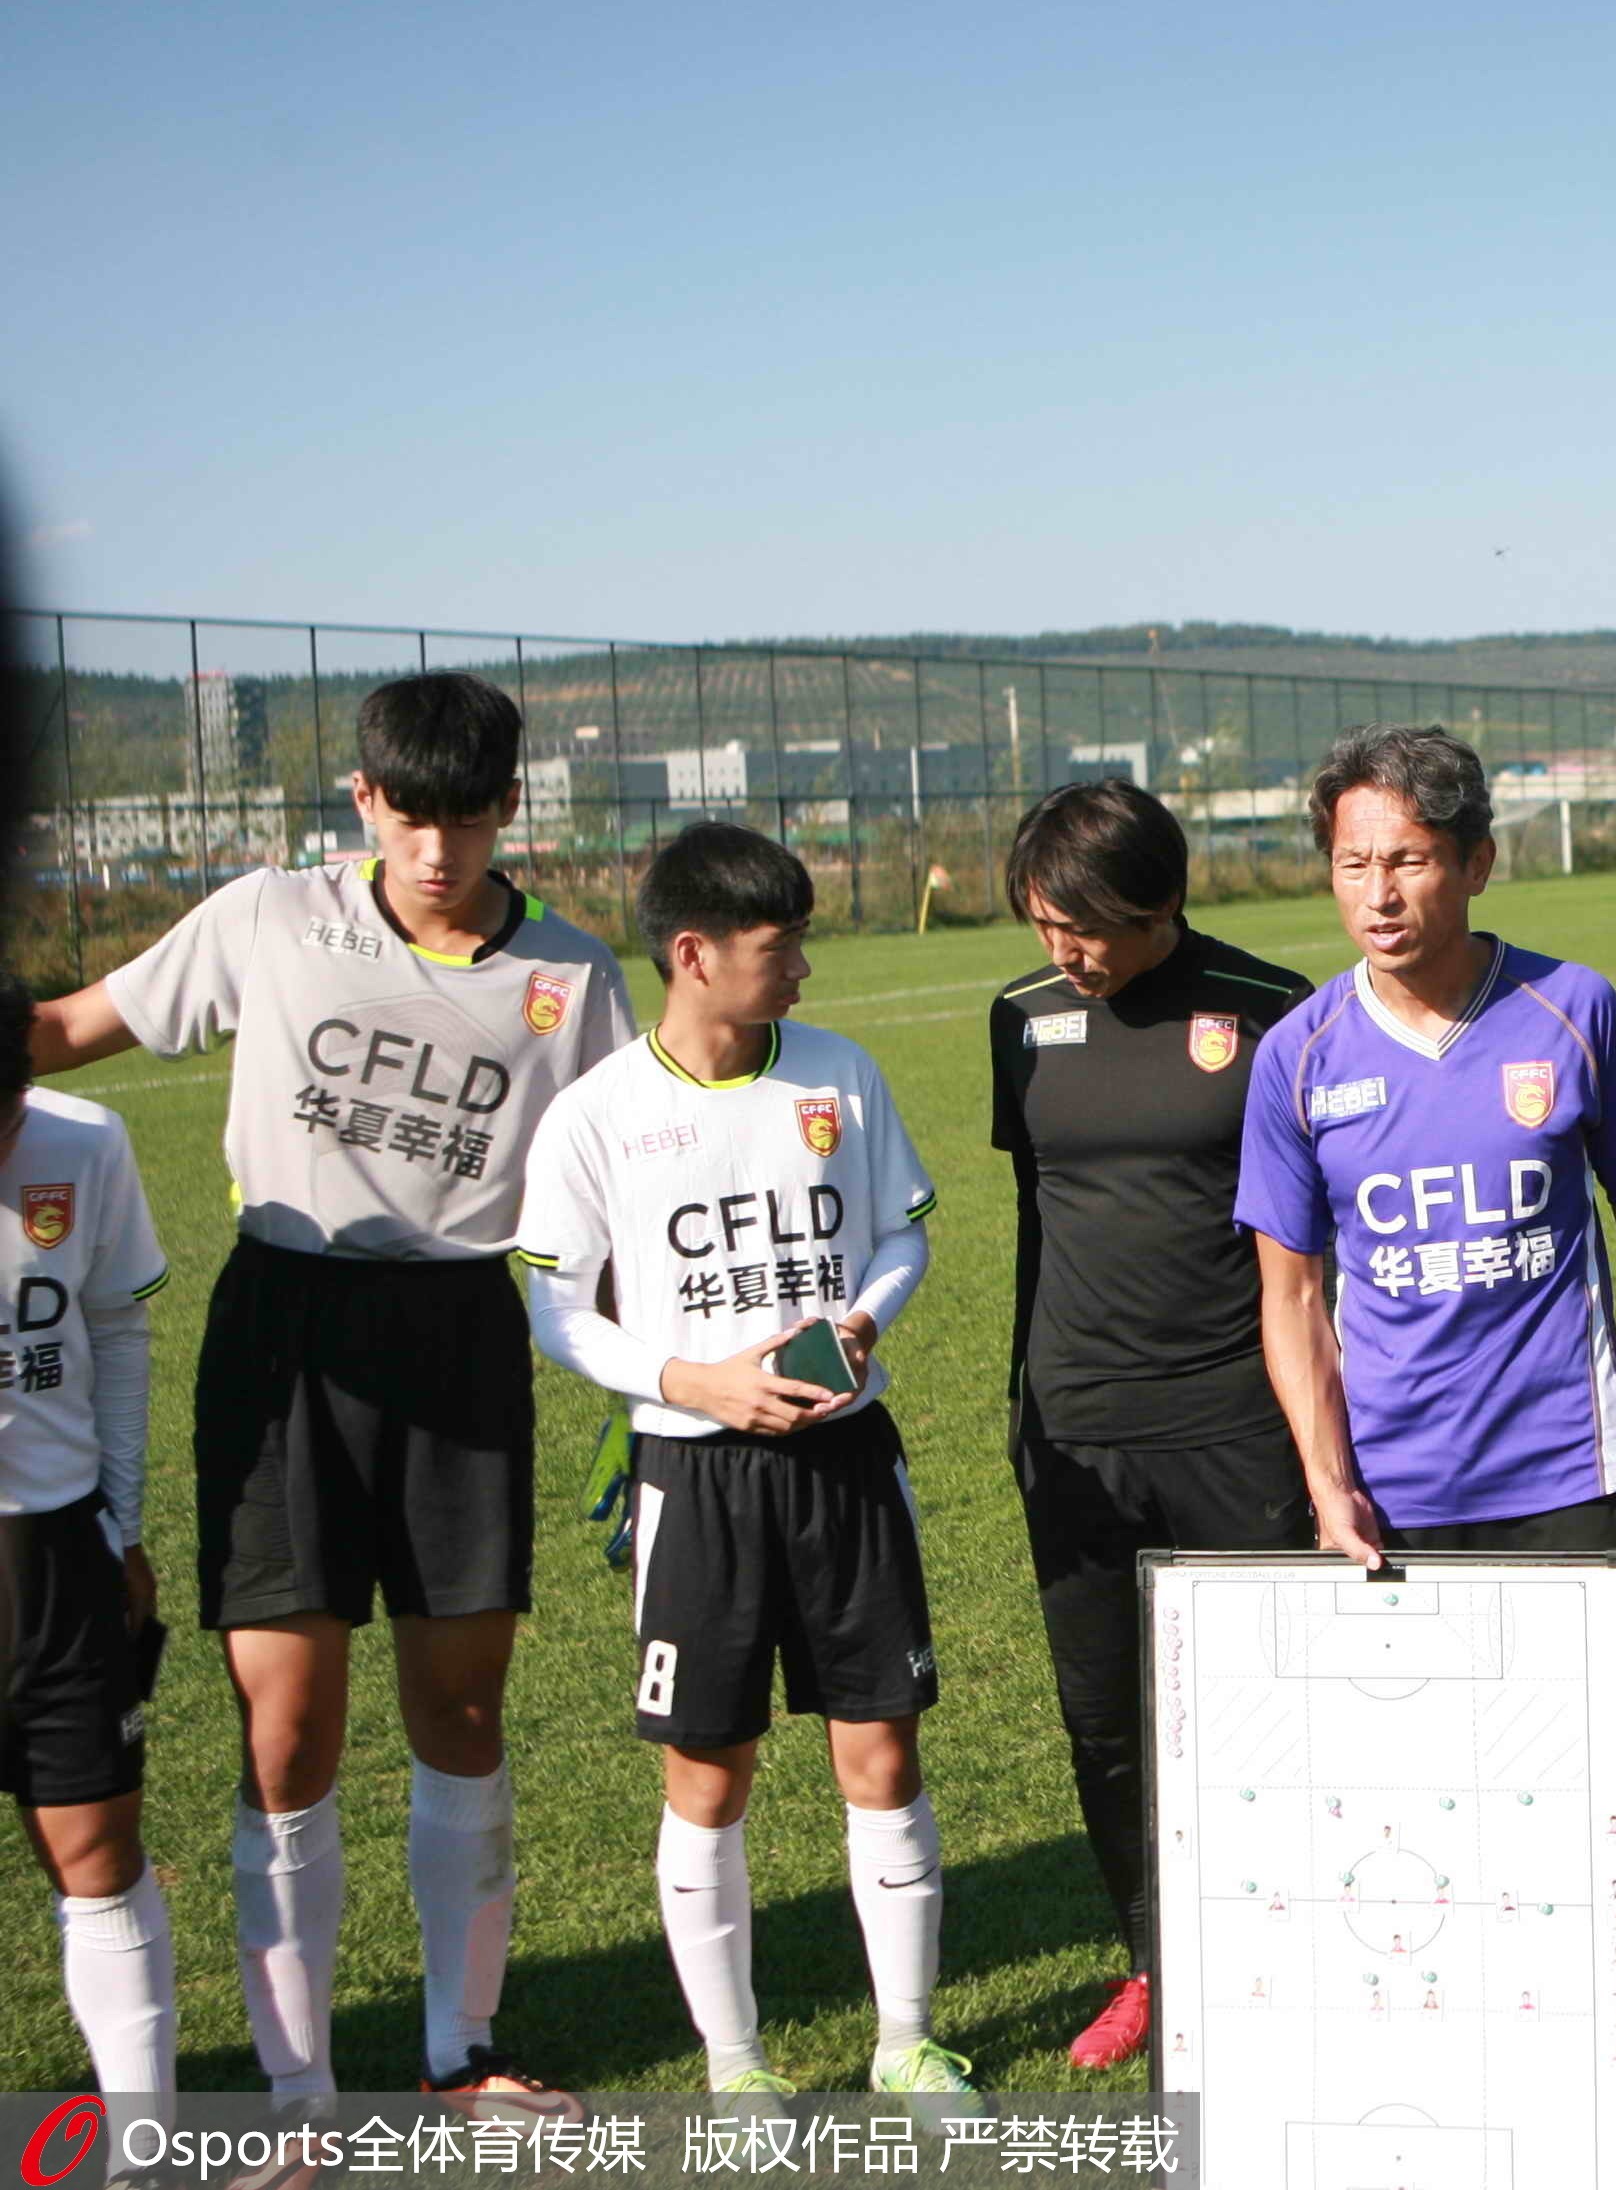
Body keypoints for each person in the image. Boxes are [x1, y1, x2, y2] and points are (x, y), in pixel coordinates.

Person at [26, 671, 633, 2114]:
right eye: (408, 813)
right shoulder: (268, 917)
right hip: (285, 1331)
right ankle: (297, 2096)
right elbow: (59, 1031)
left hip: (458, 1338)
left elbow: (626, 1172)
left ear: (507, 808)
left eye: (468, 817)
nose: (438, 850)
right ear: (363, 800)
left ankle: (457, 2056)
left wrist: (675, 1394)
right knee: (284, 1728)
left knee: (464, 1712)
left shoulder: (574, 974)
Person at [1236, 724, 1616, 2190]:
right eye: (1352, 863)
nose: (1380, 891)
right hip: (1392, 1503)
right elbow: (1288, 1293)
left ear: (1472, 859)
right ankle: (1488, 2084)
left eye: (1407, 858)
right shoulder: (1301, 1054)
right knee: (1421, 1807)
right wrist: (1327, 1476)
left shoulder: (1572, 1010)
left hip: (1569, 1481)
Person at [514, 823, 975, 2113]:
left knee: (880, 1748)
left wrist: (867, 1317)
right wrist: (694, 1381)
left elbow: (898, 1237)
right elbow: (558, 1309)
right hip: (695, 1476)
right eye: (780, 951)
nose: (802, 971)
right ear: (693, 953)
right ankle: (736, 2064)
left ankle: (908, 2039)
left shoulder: (840, 1075)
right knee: (707, 1770)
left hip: (844, 1464)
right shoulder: (598, 1115)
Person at [989, 780, 1313, 2070]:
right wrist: (1025, 1400)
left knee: (1266, 1714)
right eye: (1045, 921)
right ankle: (1155, 1961)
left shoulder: (1273, 1006)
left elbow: (1311, 1243)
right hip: (1077, 1425)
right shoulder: (1019, 1019)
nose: (1070, 951)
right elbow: (1038, 1220)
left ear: (1164, 900)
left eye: (1093, 927)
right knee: (1107, 1720)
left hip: (1237, 1417)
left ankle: (1287, 1954)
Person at [0, 979, 178, 2120]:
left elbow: (113, 1326)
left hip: (55, 1552)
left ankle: (145, 2138)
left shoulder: (83, 1142)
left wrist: (118, 1518)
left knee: (98, 1853)